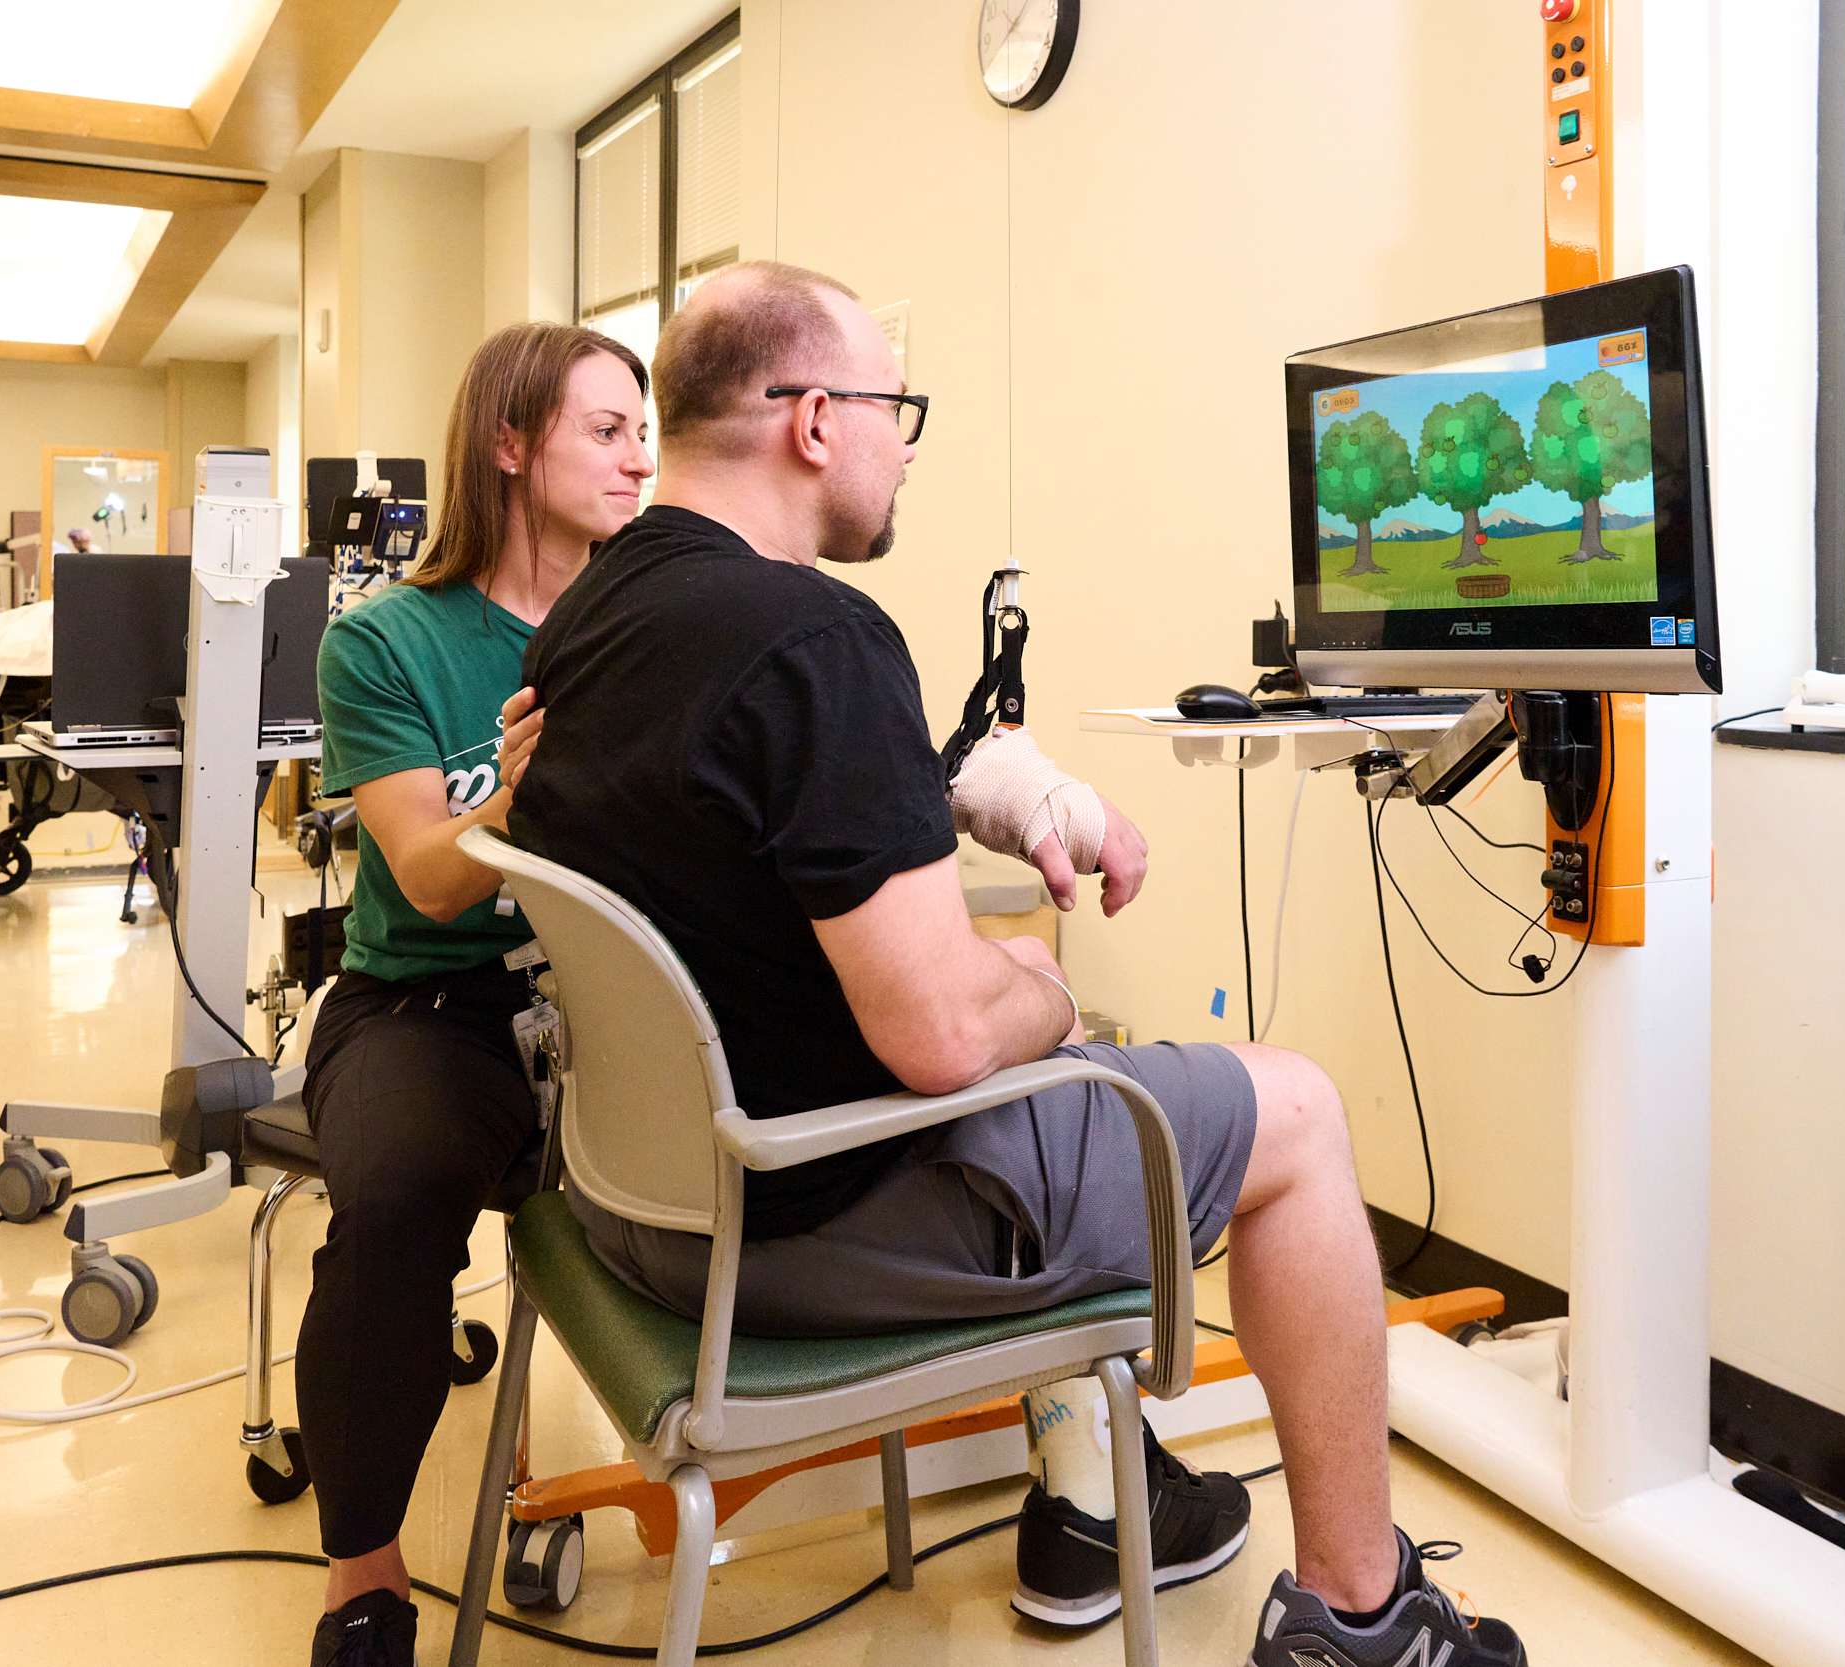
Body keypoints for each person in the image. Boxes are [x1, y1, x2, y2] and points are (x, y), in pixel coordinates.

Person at [506, 262, 1527, 1667]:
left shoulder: (590, 616)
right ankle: (1361, 1616)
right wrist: (1055, 1000)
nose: (904, 442)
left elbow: (738, 841)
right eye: (891, 406)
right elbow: (938, 1035)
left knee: (1073, 1053)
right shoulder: (814, 634)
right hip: (808, 1225)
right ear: (811, 422)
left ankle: (1132, 1505)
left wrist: (979, 797)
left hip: (635, 1203)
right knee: (1291, 1107)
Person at [298, 321, 655, 1667]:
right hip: (432, 1006)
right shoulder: (387, 644)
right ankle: (366, 1579)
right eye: (607, 432)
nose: (638, 462)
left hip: (621, 997)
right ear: (512, 446)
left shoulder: (651, 620)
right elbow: (433, 882)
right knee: (390, 1205)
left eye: (644, 435)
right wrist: (514, 793)